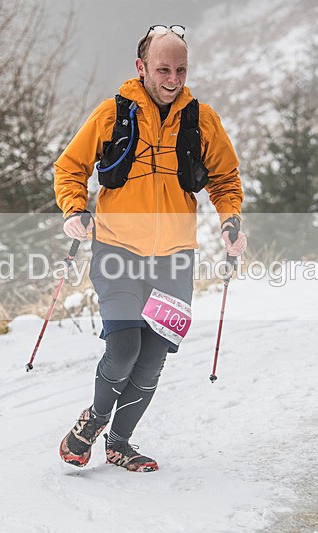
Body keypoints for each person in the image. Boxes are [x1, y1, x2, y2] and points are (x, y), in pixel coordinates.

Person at [54, 24, 247, 472]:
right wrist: (72, 211)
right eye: (163, 68)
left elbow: (225, 179)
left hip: (175, 259)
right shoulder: (111, 114)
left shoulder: (202, 119)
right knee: (123, 349)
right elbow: (70, 168)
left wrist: (230, 219)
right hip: (118, 252)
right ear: (141, 67)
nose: (173, 78)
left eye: (181, 69)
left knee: (153, 359)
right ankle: (94, 421)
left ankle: (119, 444)